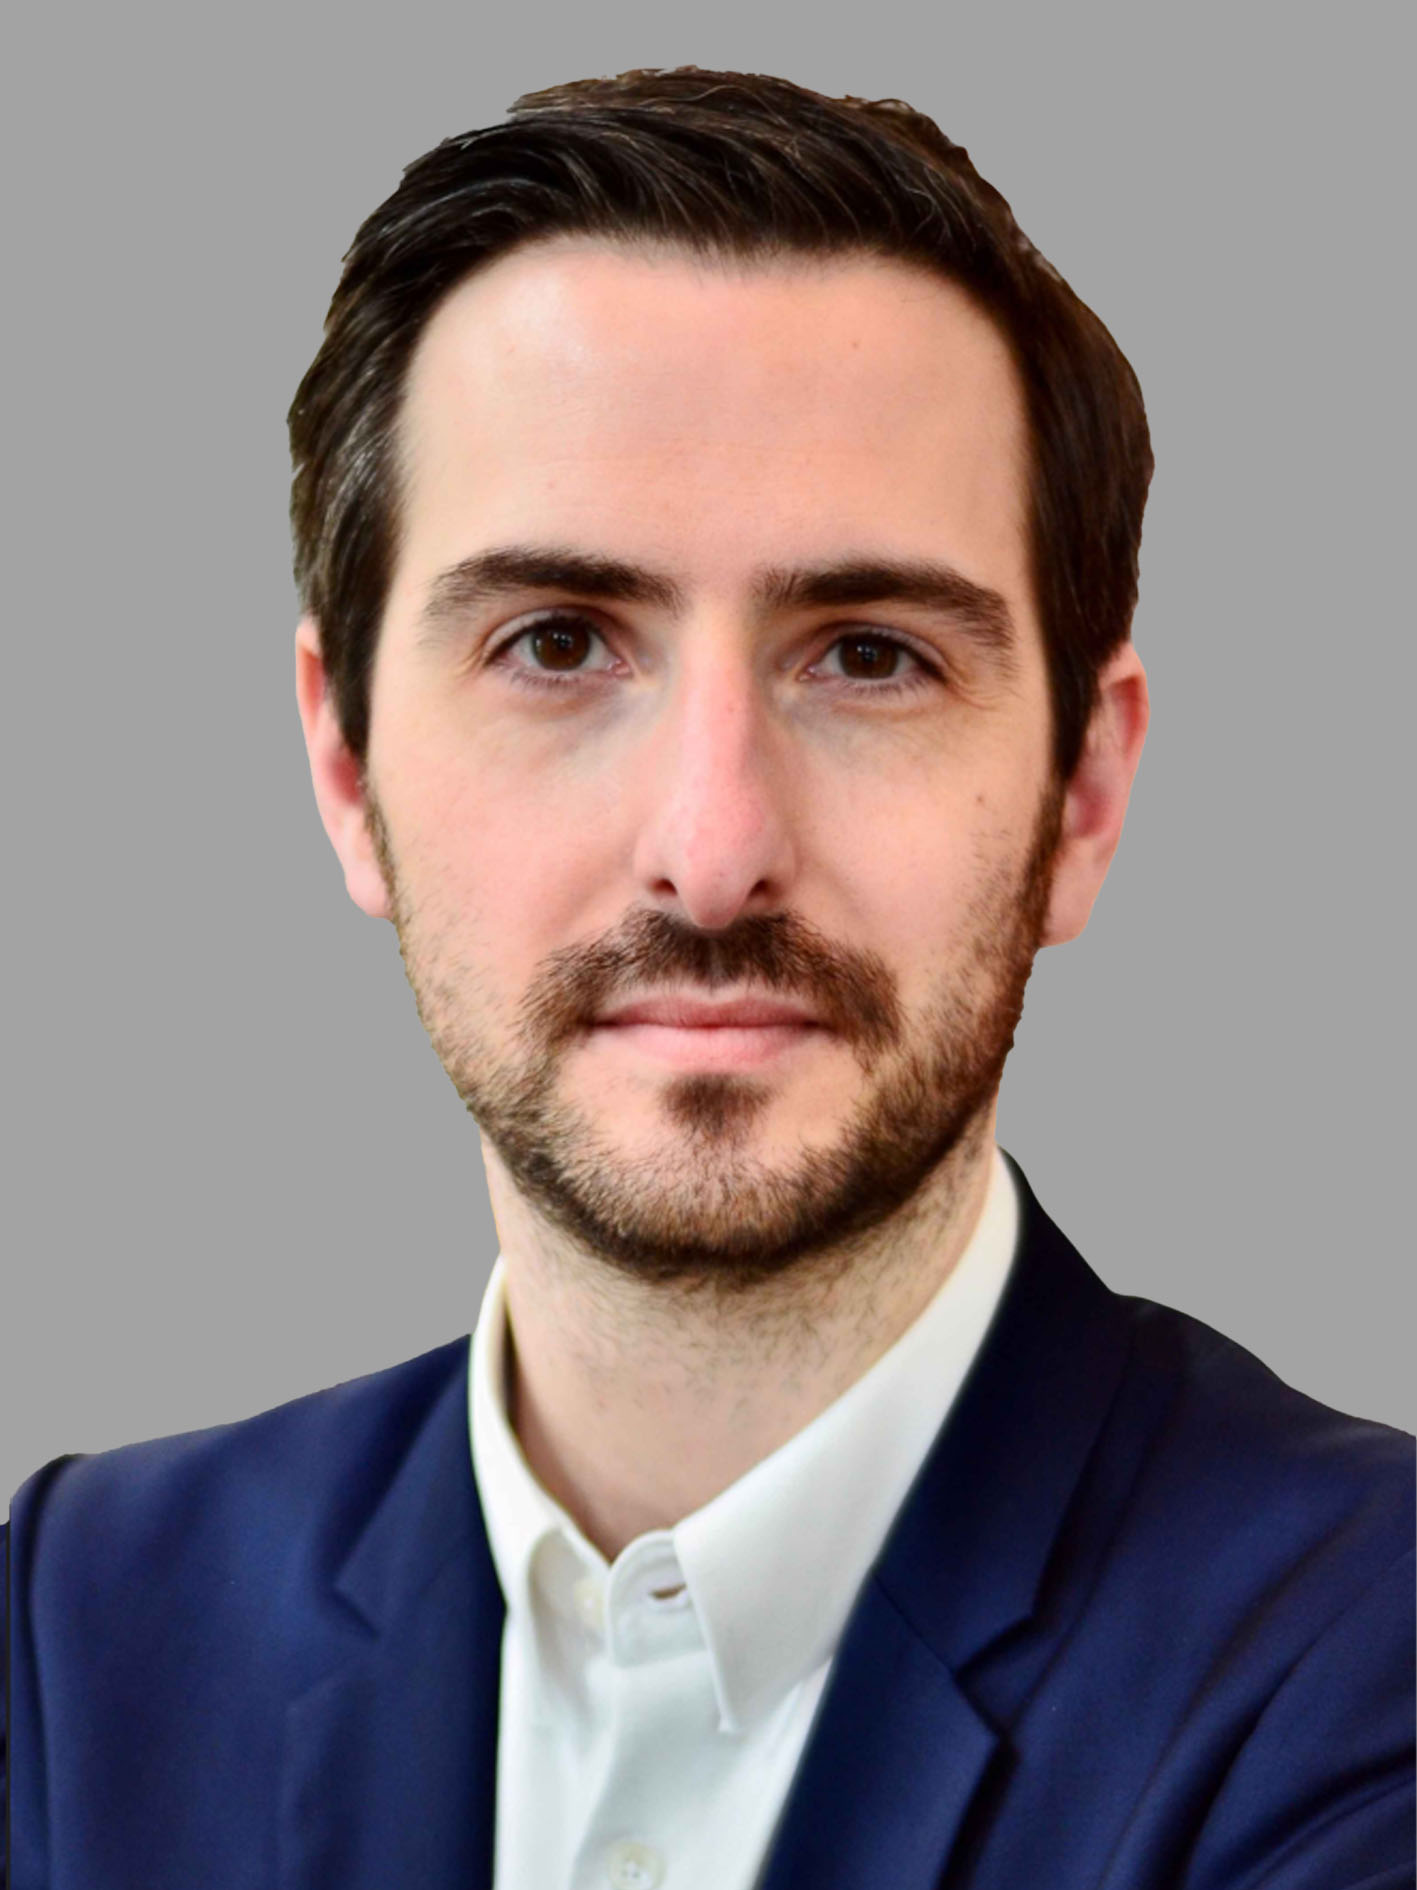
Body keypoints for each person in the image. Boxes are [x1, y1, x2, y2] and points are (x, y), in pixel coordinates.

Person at [4, 66, 1411, 1890]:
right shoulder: (76, 1622)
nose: (714, 843)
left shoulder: (1364, 1662)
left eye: (869, 656)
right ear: (346, 768)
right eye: (558, 642)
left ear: (1082, 789)